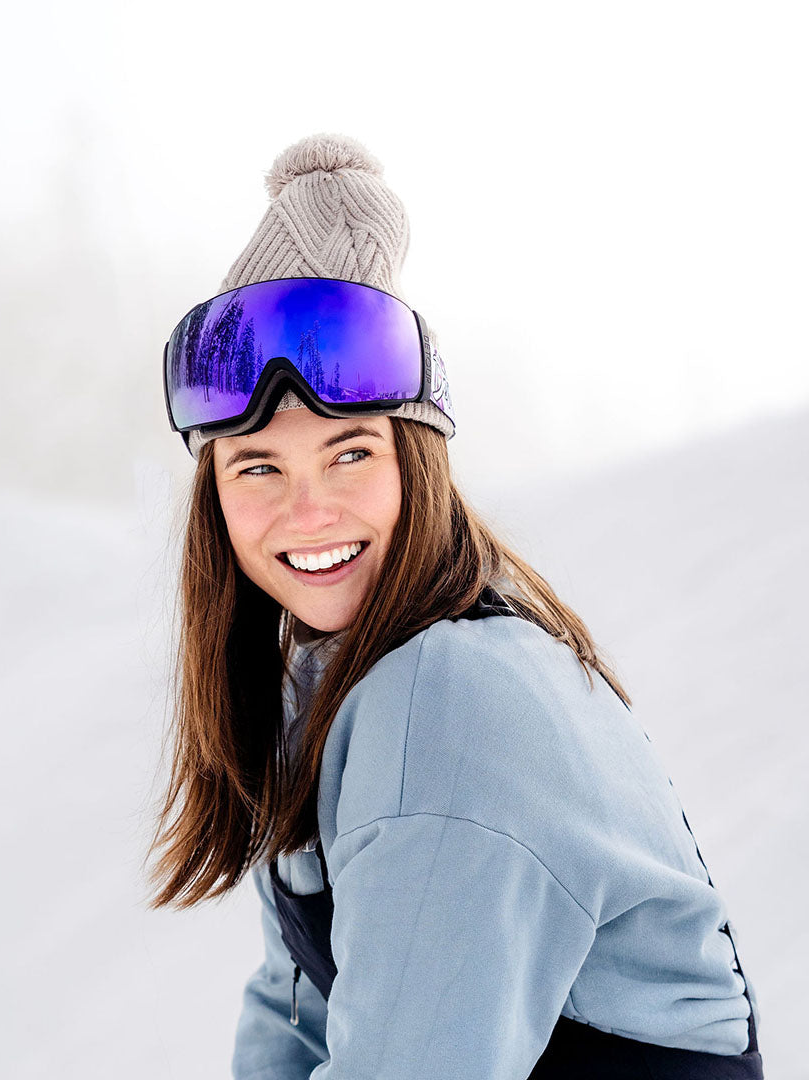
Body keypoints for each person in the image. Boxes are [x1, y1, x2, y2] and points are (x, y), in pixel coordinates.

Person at [145, 133, 764, 1079]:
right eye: (259, 467)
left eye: (351, 453)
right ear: (214, 500)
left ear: (418, 465)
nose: (308, 512)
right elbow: (297, 1006)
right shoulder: (322, 683)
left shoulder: (447, 702)